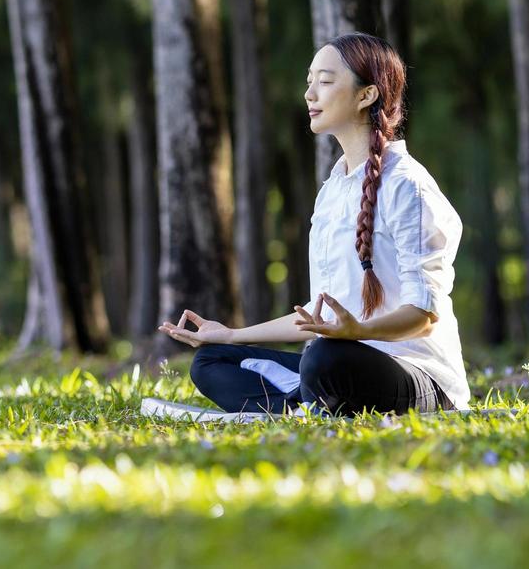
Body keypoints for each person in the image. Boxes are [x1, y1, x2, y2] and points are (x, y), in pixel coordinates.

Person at [153, 32, 471, 418]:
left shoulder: (408, 186)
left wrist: (357, 333)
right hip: (337, 359)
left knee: (322, 360)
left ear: (366, 95)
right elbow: (317, 318)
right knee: (212, 360)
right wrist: (232, 334)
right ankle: (304, 405)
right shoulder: (333, 189)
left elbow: (424, 316)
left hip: (419, 379)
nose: (310, 94)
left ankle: (300, 403)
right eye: (309, 82)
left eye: (325, 81)